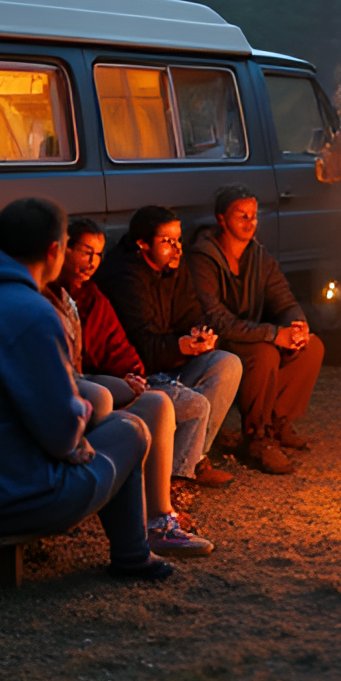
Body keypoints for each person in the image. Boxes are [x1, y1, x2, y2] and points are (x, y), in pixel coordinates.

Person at [0, 197, 173, 580]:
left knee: (102, 420)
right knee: (129, 430)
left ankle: (133, 553)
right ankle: (133, 557)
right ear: (55, 250)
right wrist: (81, 424)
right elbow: (60, 434)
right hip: (6, 501)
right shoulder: (31, 310)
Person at [47, 218, 213, 556]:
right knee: (111, 402)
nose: (92, 263)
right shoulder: (39, 299)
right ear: (58, 251)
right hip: (66, 396)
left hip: (95, 384)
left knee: (159, 403)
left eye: (98, 254)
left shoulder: (89, 296)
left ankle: (161, 520)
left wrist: (132, 374)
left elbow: (119, 346)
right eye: (84, 252)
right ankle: (123, 522)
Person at [95, 206, 241, 485]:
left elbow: (192, 314)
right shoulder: (125, 277)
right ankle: (171, 477)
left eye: (178, 240)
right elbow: (142, 345)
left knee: (226, 363)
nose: (176, 248)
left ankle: (194, 458)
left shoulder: (175, 266)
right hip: (140, 374)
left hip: (170, 361)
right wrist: (181, 347)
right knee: (195, 403)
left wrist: (201, 336)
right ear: (142, 244)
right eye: (167, 241)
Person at [189, 185, 324, 475]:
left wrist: (297, 325)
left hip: (250, 333)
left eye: (253, 216)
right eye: (242, 216)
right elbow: (216, 318)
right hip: (216, 340)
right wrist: (274, 334)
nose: (250, 223)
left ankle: (278, 423)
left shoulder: (258, 257)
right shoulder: (203, 258)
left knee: (312, 345)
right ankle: (257, 436)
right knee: (264, 354)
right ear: (221, 219)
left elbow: (283, 299)